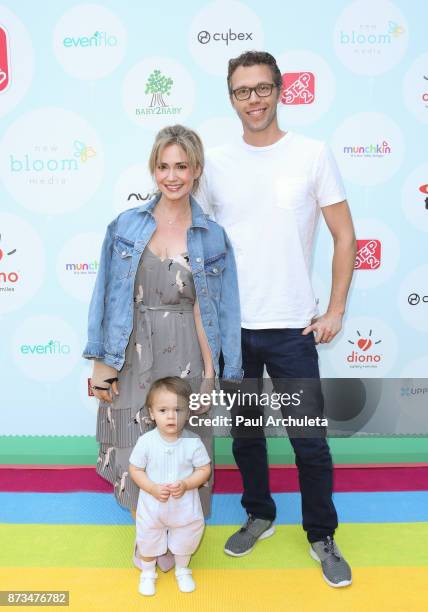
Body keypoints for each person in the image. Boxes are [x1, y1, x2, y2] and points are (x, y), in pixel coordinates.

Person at [197, 51, 357, 588]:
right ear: (231, 97)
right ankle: (259, 514)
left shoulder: (311, 154)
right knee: (245, 435)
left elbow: (344, 236)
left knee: (309, 440)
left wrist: (334, 309)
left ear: (280, 90)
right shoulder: (213, 162)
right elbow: (193, 237)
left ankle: (321, 534)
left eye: (262, 88)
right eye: (243, 91)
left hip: (293, 326)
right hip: (234, 329)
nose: (254, 99)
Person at [82, 124, 243, 569]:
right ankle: (147, 531)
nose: (172, 176)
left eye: (182, 166)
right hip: (132, 346)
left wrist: (213, 374)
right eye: (163, 166)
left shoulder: (212, 236)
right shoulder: (125, 226)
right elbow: (106, 296)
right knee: (135, 439)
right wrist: (101, 363)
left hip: (187, 350)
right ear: (153, 169)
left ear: (196, 170)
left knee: (182, 441)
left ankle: (178, 531)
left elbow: (214, 311)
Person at [129, 376, 211, 595]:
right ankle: (148, 572)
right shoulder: (146, 441)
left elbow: (204, 470)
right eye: (163, 410)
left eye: (178, 410)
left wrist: (186, 484)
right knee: (147, 537)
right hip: (152, 506)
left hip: (183, 507)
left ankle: (182, 569)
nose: (171, 416)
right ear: (151, 413)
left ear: (188, 412)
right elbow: (135, 469)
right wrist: (152, 488)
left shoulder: (193, 442)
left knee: (186, 537)